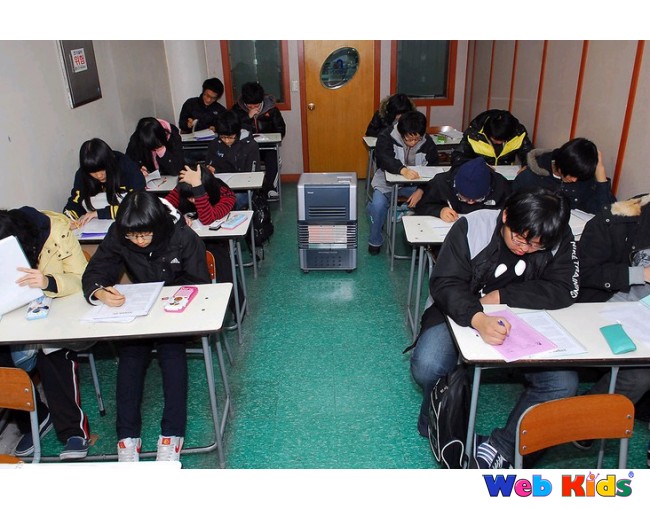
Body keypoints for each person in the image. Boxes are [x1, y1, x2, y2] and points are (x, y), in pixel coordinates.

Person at [409, 188, 580, 468]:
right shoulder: (472, 226)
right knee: (429, 365)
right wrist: (477, 317)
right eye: (520, 238)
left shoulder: (554, 235)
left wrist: (502, 296)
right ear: (506, 216)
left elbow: (565, 289)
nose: (525, 249)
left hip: (525, 319)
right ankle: (437, 419)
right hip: (458, 312)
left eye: (536, 246)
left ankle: (502, 448)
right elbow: (445, 283)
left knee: (563, 383)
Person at [81, 191, 210, 462]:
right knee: (130, 355)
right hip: (140, 309)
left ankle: (172, 434)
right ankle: (127, 438)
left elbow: (199, 282)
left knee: (171, 354)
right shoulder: (120, 233)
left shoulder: (183, 236)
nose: (138, 241)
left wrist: (172, 300)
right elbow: (96, 270)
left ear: (158, 225)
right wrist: (99, 291)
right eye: (132, 236)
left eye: (144, 235)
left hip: (175, 312)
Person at [0, 207, 91, 460]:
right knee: (3, 360)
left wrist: (48, 281)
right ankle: (35, 419)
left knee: (52, 351)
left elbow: (83, 278)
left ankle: (73, 431)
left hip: (59, 310)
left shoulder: (57, 232)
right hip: (15, 316)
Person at [572, 193, 650, 452]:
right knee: (639, 375)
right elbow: (584, 273)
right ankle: (584, 418)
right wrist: (641, 273)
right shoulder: (616, 218)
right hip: (611, 308)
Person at [164, 164, 242, 314]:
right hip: (186, 241)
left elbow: (207, 219)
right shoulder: (183, 188)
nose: (193, 200)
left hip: (215, 242)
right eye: (189, 197)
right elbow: (162, 208)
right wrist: (180, 218)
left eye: (196, 195)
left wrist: (197, 187)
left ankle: (231, 306)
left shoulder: (225, 194)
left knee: (217, 260)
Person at [367, 110, 439, 254]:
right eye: (409, 139)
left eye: (417, 139)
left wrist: (421, 190)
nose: (413, 143)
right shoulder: (387, 136)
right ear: (401, 133)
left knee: (432, 201)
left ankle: (422, 242)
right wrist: (402, 170)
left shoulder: (428, 143)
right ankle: (375, 240)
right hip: (386, 184)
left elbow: (433, 169)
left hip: (414, 187)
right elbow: (383, 158)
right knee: (378, 205)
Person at [513, 137, 616, 214]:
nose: (574, 180)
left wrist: (601, 175)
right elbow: (513, 208)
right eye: (572, 175)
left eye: (578, 176)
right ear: (562, 165)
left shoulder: (582, 177)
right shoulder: (531, 177)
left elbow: (606, 212)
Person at [63, 138, 145, 226]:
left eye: (102, 170)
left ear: (110, 162)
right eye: (93, 172)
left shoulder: (127, 167)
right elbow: (75, 202)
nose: (99, 175)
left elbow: (138, 204)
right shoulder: (82, 174)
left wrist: (99, 213)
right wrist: (68, 219)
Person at [231, 82, 286, 198]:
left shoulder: (271, 110)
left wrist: (269, 138)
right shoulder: (237, 109)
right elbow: (231, 129)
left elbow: (281, 130)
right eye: (250, 106)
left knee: (273, 158)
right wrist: (247, 117)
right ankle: (249, 190)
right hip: (245, 147)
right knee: (241, 158)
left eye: (256, 106)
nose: (253, 108)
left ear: (261, 101)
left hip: (266, 147)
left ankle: (270, 188)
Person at [414, 156, 512, 221]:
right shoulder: (441, 183)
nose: (470, 203)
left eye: (478, 199)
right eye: (463, 198)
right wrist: (439, 211)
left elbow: (513, 211)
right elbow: (421, 206)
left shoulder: (501, 185)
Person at [206, 110, 260, 210]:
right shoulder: (214, 144)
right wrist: (209, 170)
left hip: (243, 189)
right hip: (220, 187)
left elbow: (253, 176)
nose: (227, 141)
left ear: (237, 132)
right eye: (223, 137)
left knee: (233, 201)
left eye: (231, 137)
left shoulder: (250, 145)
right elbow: (209, 166)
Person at [451, 109, 533, 168]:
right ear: (487, 131)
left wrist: (526, 167)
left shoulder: (518, 133)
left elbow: (530, 155)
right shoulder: (474, 134)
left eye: (503, 140)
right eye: (495, 139)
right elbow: (458, 157)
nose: (499, 143)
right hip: (480, 175)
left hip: (506, 176)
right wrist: (477, 165)